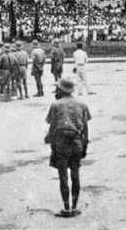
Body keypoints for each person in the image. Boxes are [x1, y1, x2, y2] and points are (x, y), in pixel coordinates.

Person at [45, 77, 90, 218]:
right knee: (75, 175)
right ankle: (75, 207)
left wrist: (52, 145)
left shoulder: (56, 105)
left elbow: (51, 128)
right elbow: (86, 128)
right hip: (76, 142)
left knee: (63, 177)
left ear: (61, 89)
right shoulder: (81, 103)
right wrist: (85, 145)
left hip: (61, 143)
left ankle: (66, 208)